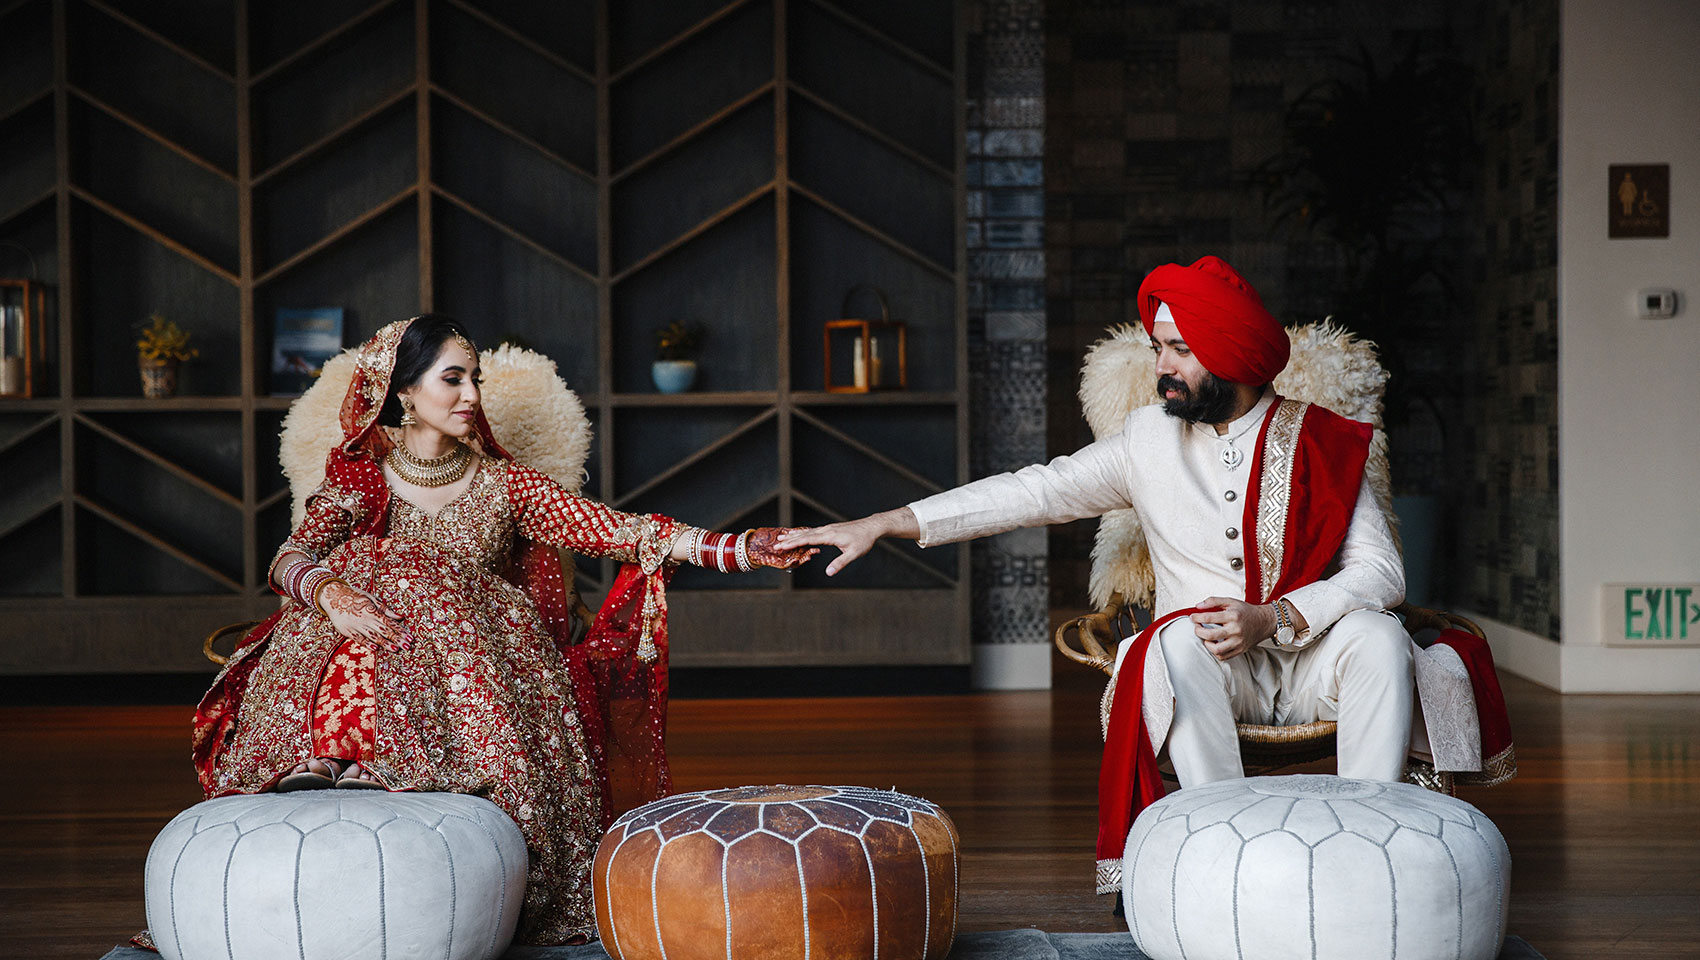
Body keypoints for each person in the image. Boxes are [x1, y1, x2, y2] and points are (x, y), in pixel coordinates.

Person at [777, 256, 1422, 893]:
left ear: (1230, 353)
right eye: (1157, 348)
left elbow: (1381, 571)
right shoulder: (1147, 440)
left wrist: (1275, 618)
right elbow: (1035, 491)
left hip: (1309, 665)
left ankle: (1364, 855)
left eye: (1178, 350)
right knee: (1173, 641)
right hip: (1212, 676)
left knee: (1380, 636)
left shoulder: (1327, 441)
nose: (1161, 368)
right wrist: (888, 522)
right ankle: (1229, 855)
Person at [192, 316, 814, 944]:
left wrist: (743, 548)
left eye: (476, 381)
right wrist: (331, 592)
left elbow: (618, 531)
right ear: (404, 393)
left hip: (473, 669)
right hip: (363, 641)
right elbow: (289, 558)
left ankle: (388, 763)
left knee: (420, 579)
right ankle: (340, 754)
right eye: (453, 379)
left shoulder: (502, 484)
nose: (471, 396)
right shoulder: (361, 479)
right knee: (368, 567)